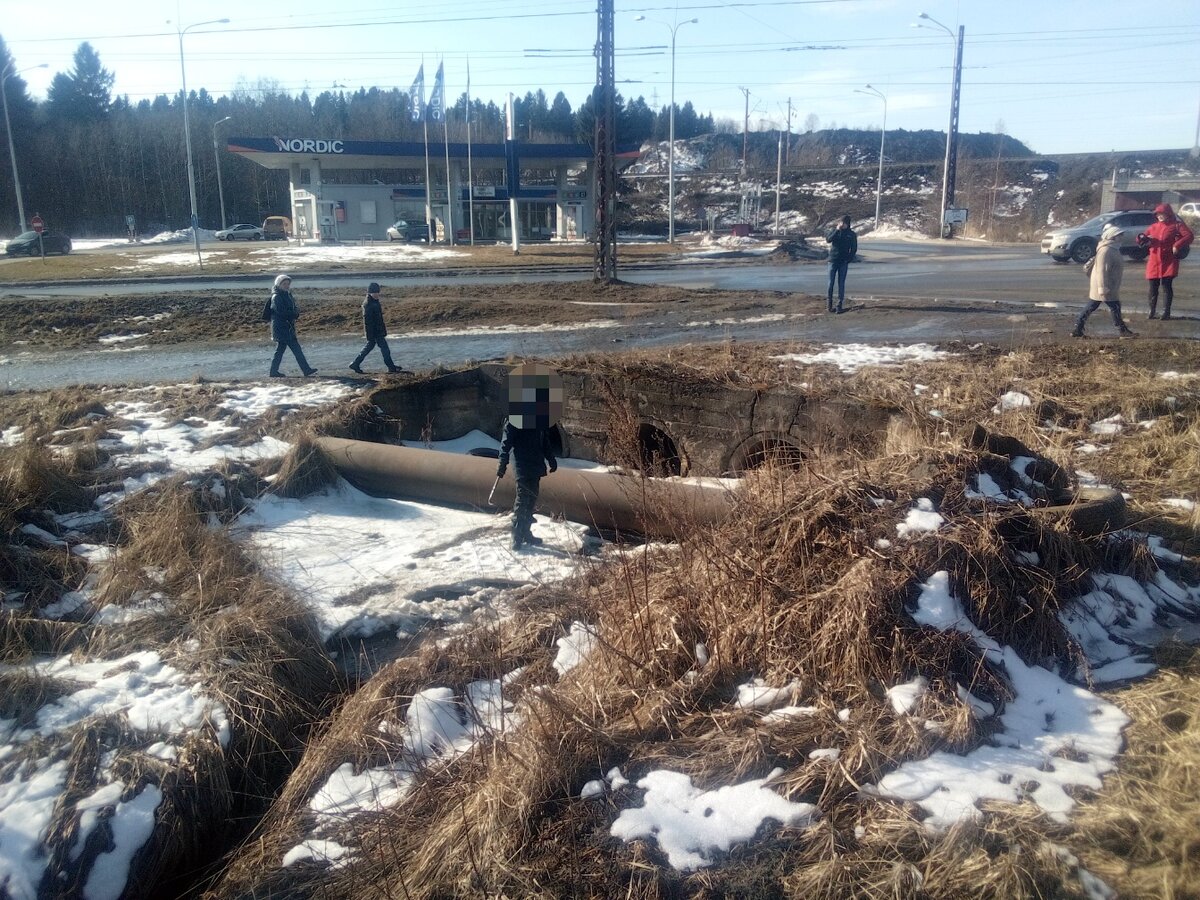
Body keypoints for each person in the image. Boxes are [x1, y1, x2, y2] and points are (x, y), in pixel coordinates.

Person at [496, 366, 562, 551]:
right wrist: (502, 461)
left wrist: (551, 459)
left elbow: (544, 440)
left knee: (531, 500)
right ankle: (516, 535)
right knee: (522, 500)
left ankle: (525, 533)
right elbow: (506, 441)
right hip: (523, 465)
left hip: (535, 463)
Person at [1072, 224, 1135, 338]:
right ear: (1112, 236)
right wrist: (1102, 287)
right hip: (1104, 285)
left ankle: (1077, 329)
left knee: (1093, 306)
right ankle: (1122, 331)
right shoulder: (1106, 250)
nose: (1121, 236)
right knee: (1114, 307)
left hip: (1108, 285)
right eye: (1118, 235)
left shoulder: (1113, 248)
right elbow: (1101, 271)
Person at [1136, 202, 1194, 320]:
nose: (1160, 216)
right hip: (1154, 261)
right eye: (1158, 214)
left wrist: (1177, 245)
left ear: (1168, 214)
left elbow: (1189, 236)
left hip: (1169, 260)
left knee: (1166, 286)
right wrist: (1141, 238)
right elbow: (1141, 238)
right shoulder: (1153, 227)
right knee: (1153, 287)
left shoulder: (1177, 225)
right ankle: (1152, 311)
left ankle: (1166, 312)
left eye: (1162, 213)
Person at [267, 274, 317, 377]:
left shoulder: (286, 294)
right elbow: (281, 312)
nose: (287, 286)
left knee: (281, 351)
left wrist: (295, 312)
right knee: (294, 349)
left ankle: (274, 371)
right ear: (279, 284)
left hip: (286, 327)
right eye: (284, 284)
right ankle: (306, 370)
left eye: (288, 284)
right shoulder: (276, 297)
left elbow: (291, 308)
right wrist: (294, 314)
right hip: (282, 328)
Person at [349, 282, 404, 374]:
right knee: (385, 349)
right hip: (375, 332)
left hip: (376, 331)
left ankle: (355, 363)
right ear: (370, 293)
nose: (377, 294)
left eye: (378, 292)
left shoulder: (374, 302)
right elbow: (368, 322)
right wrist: (373, 334)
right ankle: (391, 367)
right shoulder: (369, 304)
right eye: (375, 293)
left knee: (369, 348)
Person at [825, 215, 858, 314]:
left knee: (841, 283)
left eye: (844, 223)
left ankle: (839, 305)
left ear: (848, 224)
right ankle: (829, 304)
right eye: (841, 222)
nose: (842, 224)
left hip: (843, 262)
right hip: (833, 260)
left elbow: (854, 248)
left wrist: (849, 258)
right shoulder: (834, 231)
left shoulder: (851, 234)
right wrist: (837, 230)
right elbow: (828, 240)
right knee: (830, 283)